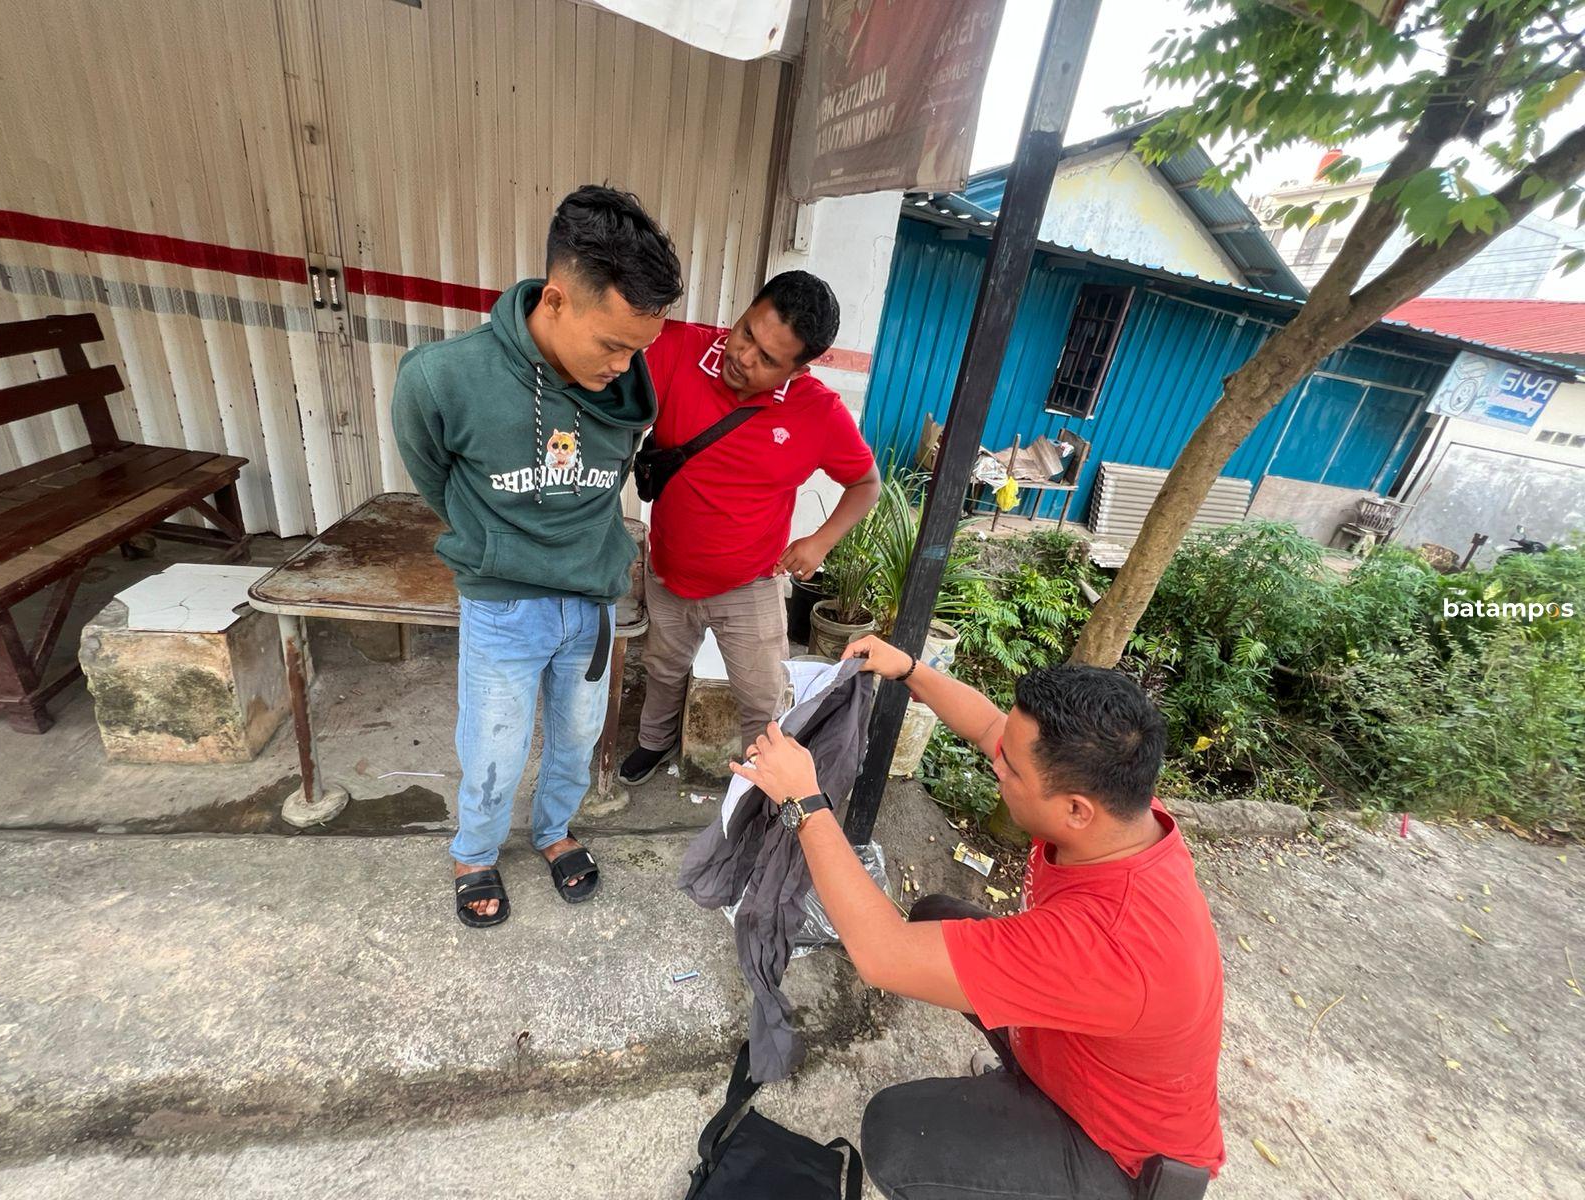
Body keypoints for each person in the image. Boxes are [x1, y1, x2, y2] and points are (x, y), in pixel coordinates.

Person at [730, 635, 1225, 1200]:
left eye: (1011, 769)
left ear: (1076, 810)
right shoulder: (1121, 816)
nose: (996, 765)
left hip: (1119, 1157)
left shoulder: (1103, 944)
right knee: (934, 915)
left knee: (897, 1135)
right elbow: (991, 727)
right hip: (1079, 1043)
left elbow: (882, 957)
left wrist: (804, 803)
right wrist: (908, 670)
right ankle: (1028, 1074)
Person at [392, 185, 683, 925]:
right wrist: (490, 535)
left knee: (579, 739)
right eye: (611, 343)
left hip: (592, 605)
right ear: (554, 300)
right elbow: (433, 472)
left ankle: (554, 829)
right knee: (494, 745)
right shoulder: (443, 378)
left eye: (638, 348)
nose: (625, 363)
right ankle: (475, 850)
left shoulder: (626, 387)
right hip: (504, 604)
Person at [617, 271, 880, 786]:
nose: (742, 357)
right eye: (746, 333)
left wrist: (820, 541)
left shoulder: (818, 413)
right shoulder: (679, 350)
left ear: (798, 369)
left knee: (763, 699)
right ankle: (654, 740)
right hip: (668, 570)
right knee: (663, 670)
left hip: (750, 586)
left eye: (768, 359)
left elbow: (866, 484)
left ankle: (764, 786)